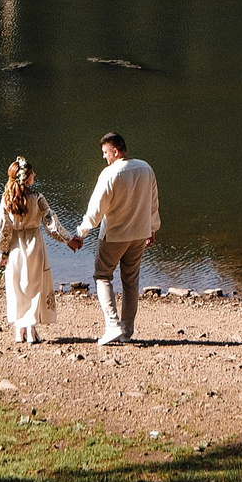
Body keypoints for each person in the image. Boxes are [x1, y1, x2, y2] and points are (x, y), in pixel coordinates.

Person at [76, 130, 159, 346]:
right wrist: (152, 228)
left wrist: (81, 232)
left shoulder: (110, 174)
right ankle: (127, 331)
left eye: (105, 152)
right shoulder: (145, 168)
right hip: (139, 233)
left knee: (102, 276)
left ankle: (112, 324)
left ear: (115, 150)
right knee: (130, 282)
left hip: (114, 235)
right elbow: (153, 202)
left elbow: (95, 211)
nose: (104, 157)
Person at [0, 156, 77, 345]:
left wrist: (3, 252)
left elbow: (3, 229)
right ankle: (31, 329)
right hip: (35, 244)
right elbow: (51, 223)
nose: (35, 175)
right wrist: (68, 239)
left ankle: (18, 330)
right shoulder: (37, 198)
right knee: (35, 286)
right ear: (27, 178)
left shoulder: (7, 199)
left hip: (15, 246)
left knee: (17, 287)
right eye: (32, 173)